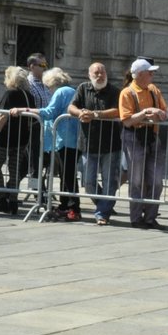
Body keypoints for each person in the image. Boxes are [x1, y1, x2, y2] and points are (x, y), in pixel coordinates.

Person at [24, 67, 80, 220]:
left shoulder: (61, 92)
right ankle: (65, 205)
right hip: (69, 137)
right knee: (66, 173)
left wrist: (27, 109)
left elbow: (49, 112)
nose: (47, 90)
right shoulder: (70, 90)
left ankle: (72, 207)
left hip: (66, 138)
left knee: (68, 174)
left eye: (47, 86)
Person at [70, 61, 123, 225]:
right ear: (89, 75)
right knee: (88, 182)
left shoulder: (114, 91)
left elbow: (118, 110)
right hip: (88, 144)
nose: (100, 76)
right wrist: (80, 113)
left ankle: (102, 213)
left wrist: (95, 114)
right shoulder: (83, 88)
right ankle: (104, 203)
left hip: (110, 144)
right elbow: (71, 107)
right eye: (96, 73)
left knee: (109, 181)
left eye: (102, 73)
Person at [119, 58, 168, 229]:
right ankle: (136, 218)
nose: (152, 75)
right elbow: (126, 121)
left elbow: (164, 112)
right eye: (150, 72)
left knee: (156, 180)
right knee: (136, 180)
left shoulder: (154, 90)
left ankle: (150, 217)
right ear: (140, 75)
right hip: (134, 138)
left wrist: (153, 114)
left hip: (153, 137)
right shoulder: (127, 93)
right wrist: (147, 113)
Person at [0, 66, 37, 215]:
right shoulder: (29, 96)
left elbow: (3, 116)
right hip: (22, 138)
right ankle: (12, 200)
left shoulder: (9, 94)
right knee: (14, 169)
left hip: (6, 137)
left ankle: (1, 198)